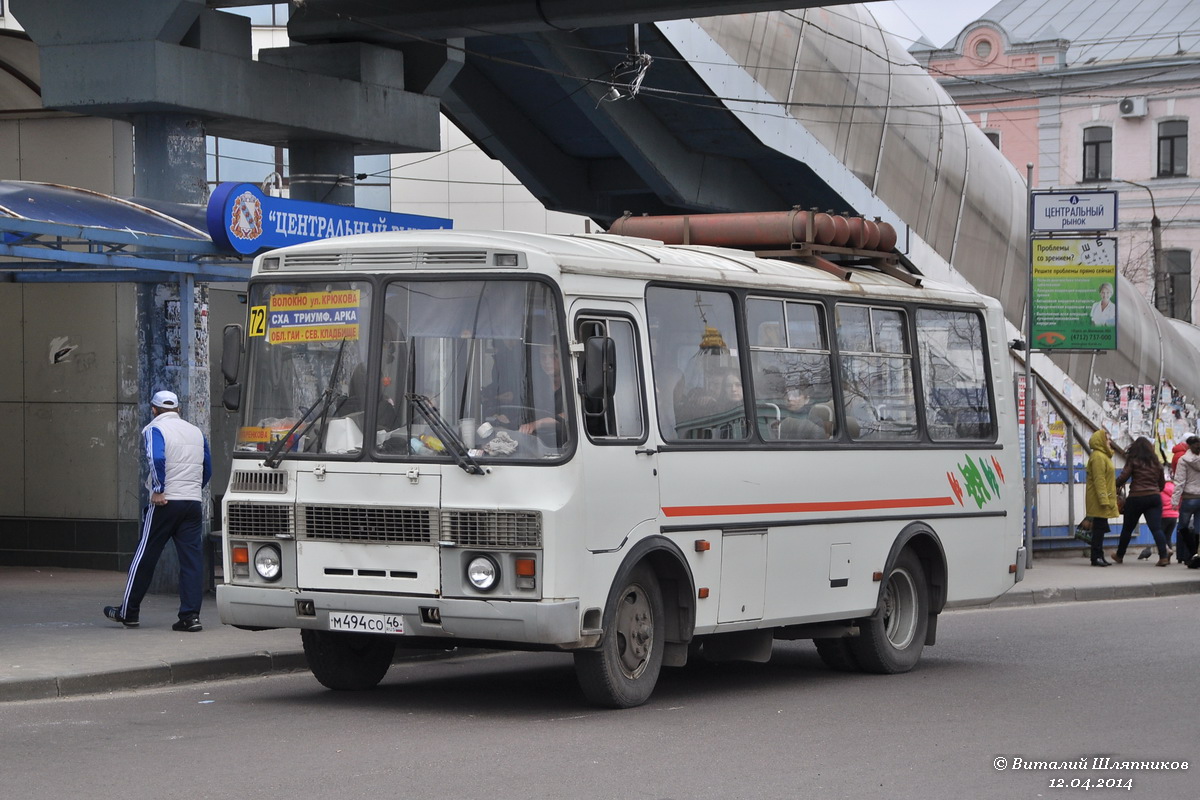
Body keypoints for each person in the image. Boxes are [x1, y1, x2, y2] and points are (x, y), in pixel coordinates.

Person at [104, 390, 212, 631]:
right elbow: (208, 467)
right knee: (192, 562)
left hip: (166, 503)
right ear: (178, 409)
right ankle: (190, 617)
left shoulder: (155, 429)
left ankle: (128, 612)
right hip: (192, 503)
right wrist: (193, 489)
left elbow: (156, 457)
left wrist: (159, 489)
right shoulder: (196, 432)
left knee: (145, 555)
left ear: (153, 409)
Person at [1112, 436, 1169, 566]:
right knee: (1156, 528)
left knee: (1127, 528)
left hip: (1136, 498)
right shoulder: (1156, 462)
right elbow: (1162, 484)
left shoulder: (1133, 460)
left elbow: (1123, 478)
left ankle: (1119, 555)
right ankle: (1163, 557)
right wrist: (1154, 491)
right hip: (1154, 498)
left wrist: (1115, 484)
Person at [1084, 429, 1118, 567]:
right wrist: (1104, 499)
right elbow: (1099, 480)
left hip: (1102, 498)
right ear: (1101, 441)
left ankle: (1099, 556)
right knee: (1098, 530)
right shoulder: (1098, 456)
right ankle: (1095, 557)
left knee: (1101, 529)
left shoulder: (1103, 456)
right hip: (1098, 499)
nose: (1110, 441)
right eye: (1107, 439)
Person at [1172, 435, 1200, 568]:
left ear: (1188, 446)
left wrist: (1175, 500)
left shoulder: (1183, 460)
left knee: (1183, 527)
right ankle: (1197, 556)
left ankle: (1193, 553)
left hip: (1189, 499)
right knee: (1198, 529)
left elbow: (1179, 482)